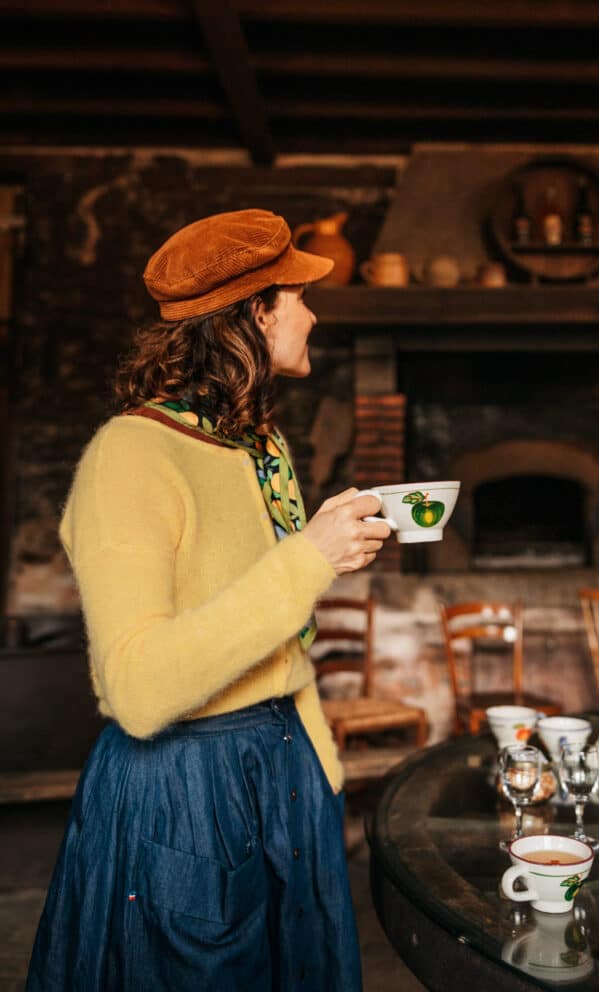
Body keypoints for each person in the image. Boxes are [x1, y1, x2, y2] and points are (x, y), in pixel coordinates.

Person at [26, 208, 390, 991]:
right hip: (182, 792)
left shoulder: (260, 445)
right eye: (299, 296)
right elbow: (137, 686)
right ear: (256, 312)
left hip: (288, 772)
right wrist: (305, 560)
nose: (315, 314)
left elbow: (277, 639)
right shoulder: (130, 456)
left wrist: (322, 775)